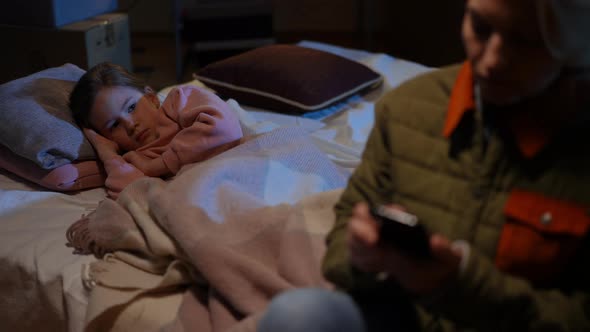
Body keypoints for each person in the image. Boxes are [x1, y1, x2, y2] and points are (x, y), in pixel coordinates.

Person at [258, 0, 590, 331]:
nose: (491, 61)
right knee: (297, 315)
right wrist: (361, 255)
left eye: (525, 42)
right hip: (405, 316)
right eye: (480, 27)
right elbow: (342, 239)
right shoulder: (407, 110)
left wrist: (459, 284)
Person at [69, 62, 244, 198]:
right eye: (114, 125)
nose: (130, 125)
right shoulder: (134, 159)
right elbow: (130, 194)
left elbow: (225, 129)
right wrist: (106, 152)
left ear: (151, 97)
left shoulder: (180, 101)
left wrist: (157, 166)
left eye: (131, 107)